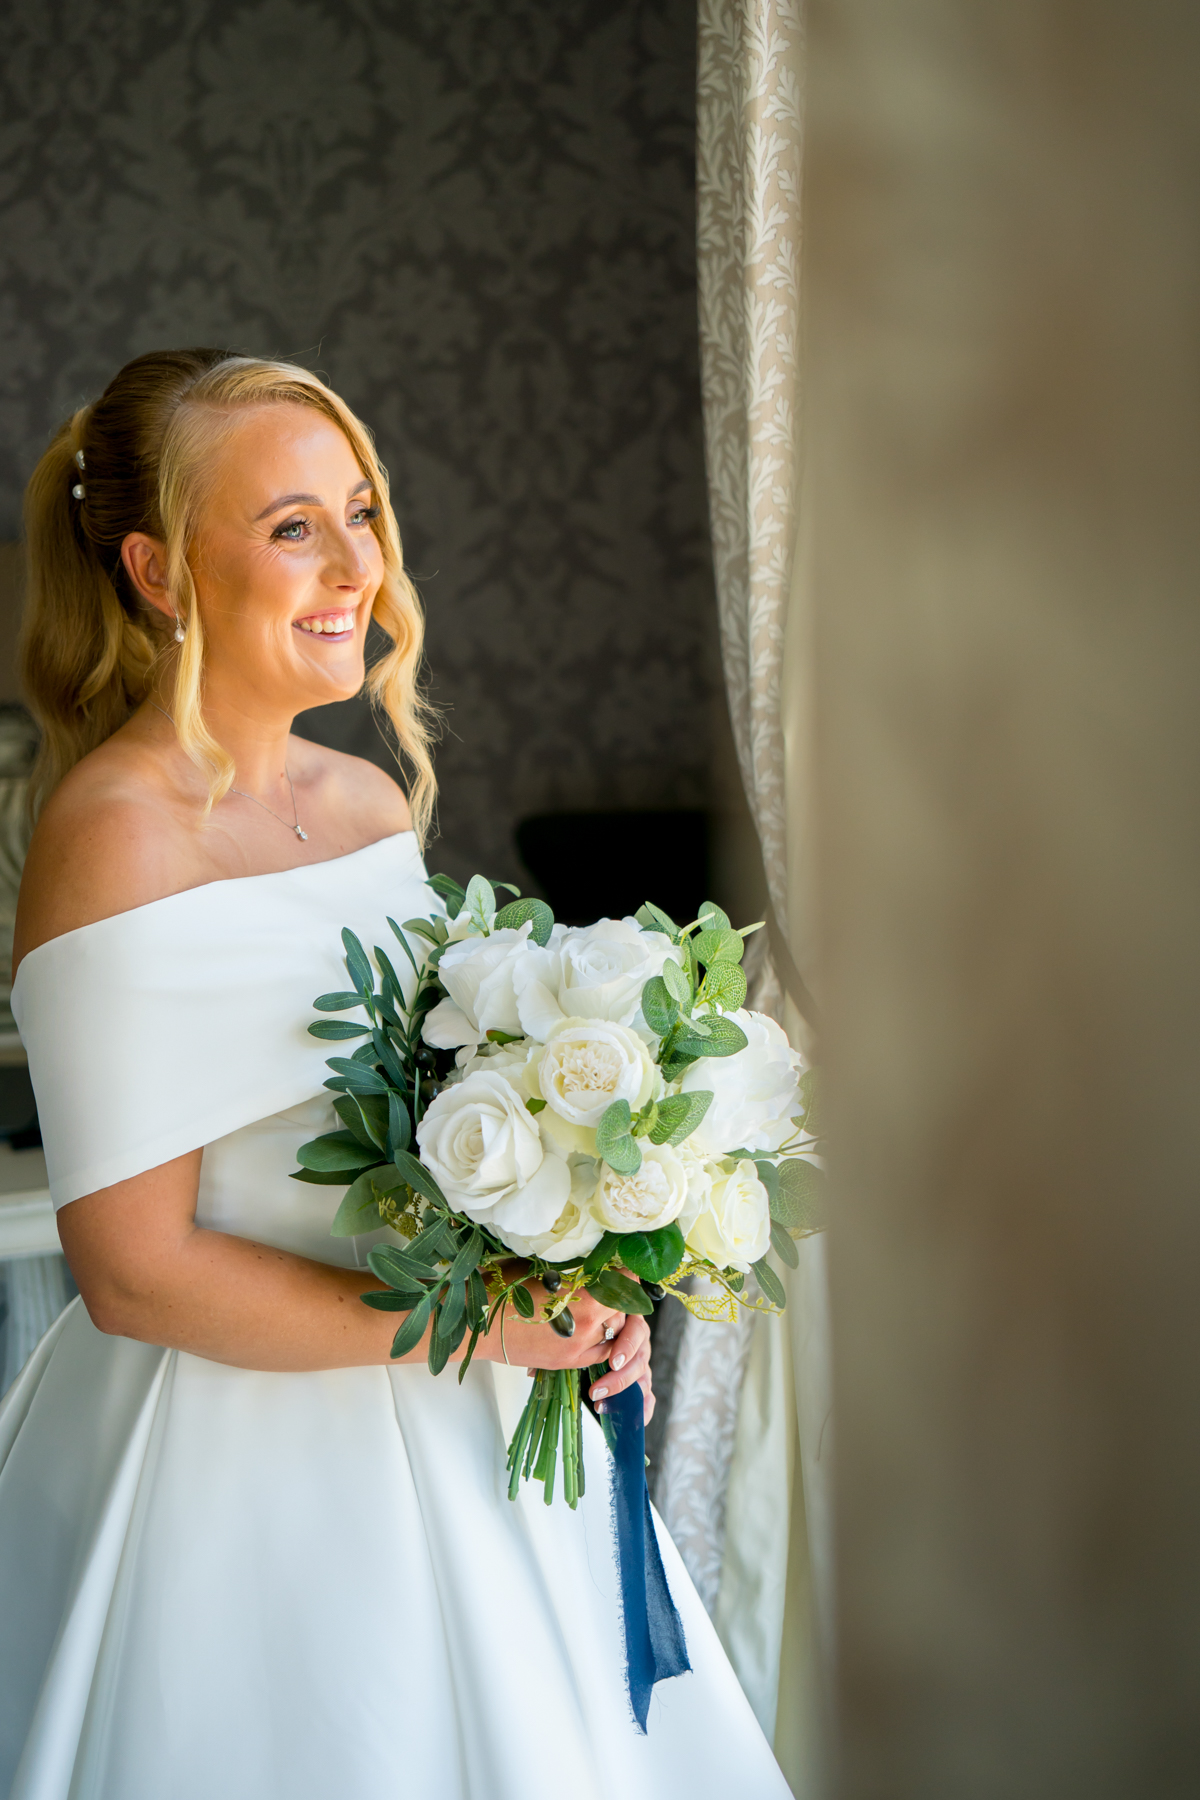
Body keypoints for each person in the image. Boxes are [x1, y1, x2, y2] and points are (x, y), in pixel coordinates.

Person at [0, 351, 789, 1799]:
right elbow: (136, 1273)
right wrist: (485, 1329)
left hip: (458, 1398)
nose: (358, 564)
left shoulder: (362, 803)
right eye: (292, 526)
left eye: (362, 511)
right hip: (240, 1464)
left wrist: (575, 1260)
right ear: (159, 573)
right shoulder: (115, 834)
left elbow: (429, 1127)